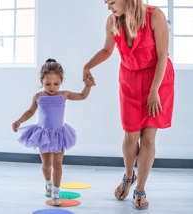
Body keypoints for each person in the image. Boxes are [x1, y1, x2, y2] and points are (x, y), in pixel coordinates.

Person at [83, 0, 174, 209]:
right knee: (131, 134)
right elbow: (107, 50)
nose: (109, 7)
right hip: (129, 81)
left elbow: (162, 57)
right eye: (106, 2)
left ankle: (140, 188)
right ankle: (128, 175)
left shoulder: (155, 16)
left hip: (157, 81)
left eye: (112, 2)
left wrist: (154, 91)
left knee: (148, 137)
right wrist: (87, 66)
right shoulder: (112, 21)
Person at [12, 58, 95, 206]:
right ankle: (48, 184)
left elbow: (82, 96)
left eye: (56, 84)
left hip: (59, 135)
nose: (52, 87)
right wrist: (19, 121)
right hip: (43, 135)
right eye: (47, 84)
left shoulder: (64, 95)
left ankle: (56, 192)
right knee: (46, 164)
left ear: (61, 81)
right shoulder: (38, 97)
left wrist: (87, 86)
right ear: (41, 81)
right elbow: (31, 111)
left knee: (57, 164)